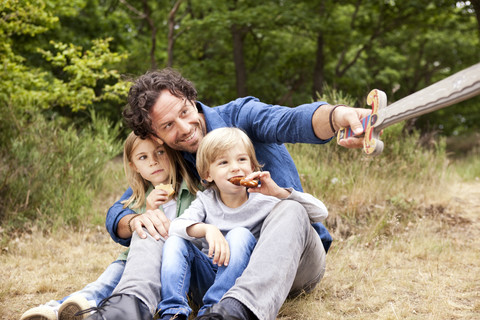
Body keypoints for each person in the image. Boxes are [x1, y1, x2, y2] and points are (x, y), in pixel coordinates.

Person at [86, 68, 371, 320]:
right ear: (155, 134)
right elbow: (122, 208)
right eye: (168, 126)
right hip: (218, 269)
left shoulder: (240, 117)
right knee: (150, 221)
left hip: (290, 262)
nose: (185, 129)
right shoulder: (171, 155)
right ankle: (126, 308)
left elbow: (291, 120)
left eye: (184, 113)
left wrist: (337, 116)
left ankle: (239, 311)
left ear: (191, 99)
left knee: (291, 208)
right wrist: (134, 221)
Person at [19, 132, 199, 320]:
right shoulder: (137, 198)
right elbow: (119, 219)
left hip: (173, 265)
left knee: (121, 285)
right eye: (143, 157)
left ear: (172, 153)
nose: (153, 161)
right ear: (134, 166)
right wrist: (149, 209)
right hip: (135, 261)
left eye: (160, 152)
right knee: (105, 283)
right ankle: (58, 309)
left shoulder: (194, 190)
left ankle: (91, 309)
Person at [159, 127, 328, 320]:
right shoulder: (206, 200)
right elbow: (175, 227)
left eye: (242, 160)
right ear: (208, 174)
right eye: (223, 162)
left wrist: (278, 192)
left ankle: (214, 310)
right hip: (210, 277)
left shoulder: (264, 200)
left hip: (244, 282)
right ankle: (173, 312)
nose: (235, 168)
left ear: (253, 167)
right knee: (174, 242)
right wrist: (207, 229)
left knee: (239, 234)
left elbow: (320, 212)